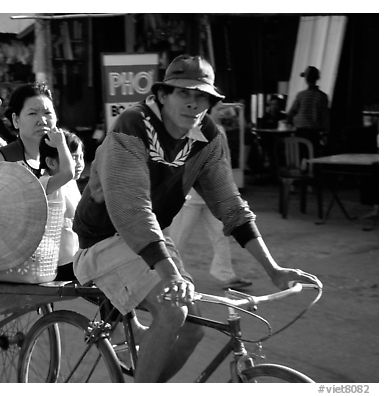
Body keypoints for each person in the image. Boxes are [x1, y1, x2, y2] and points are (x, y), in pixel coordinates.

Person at [72, 54, 322, 382]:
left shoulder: (207, 137)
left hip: (149, 239)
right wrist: (171, 274)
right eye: (183, 93)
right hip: (103, 239)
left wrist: (273, 269)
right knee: (173, 310)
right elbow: (131, 211)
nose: (193, 103)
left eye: (201, 96)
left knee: (193, 331)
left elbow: (230, 206)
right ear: (162, 95)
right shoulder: (132, 126)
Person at [37, 129, 85, 281]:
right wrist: (60, 143)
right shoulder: (45, 183)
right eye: (73, 158)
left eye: (81, 157)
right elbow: (68, 173)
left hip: (77, 258)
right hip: (58, 263)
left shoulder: (71, 184)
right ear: (51, 162)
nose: (78, 164)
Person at [0, 82, 56, 177]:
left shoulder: (62, 157)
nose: (42, 121)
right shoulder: (1, 160)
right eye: (32, 113)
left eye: (47, 113)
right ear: (16, 120)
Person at [286, 66, 330, 154]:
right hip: (314, 133)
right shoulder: (322, 96)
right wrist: (326, 133)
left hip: (300, 132)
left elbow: (291, 113)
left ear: (306, 79)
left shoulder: (300, 95)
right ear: (317, 78)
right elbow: (325, 117)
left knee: (300, 155)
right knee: (312, 156)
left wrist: (289, 122)